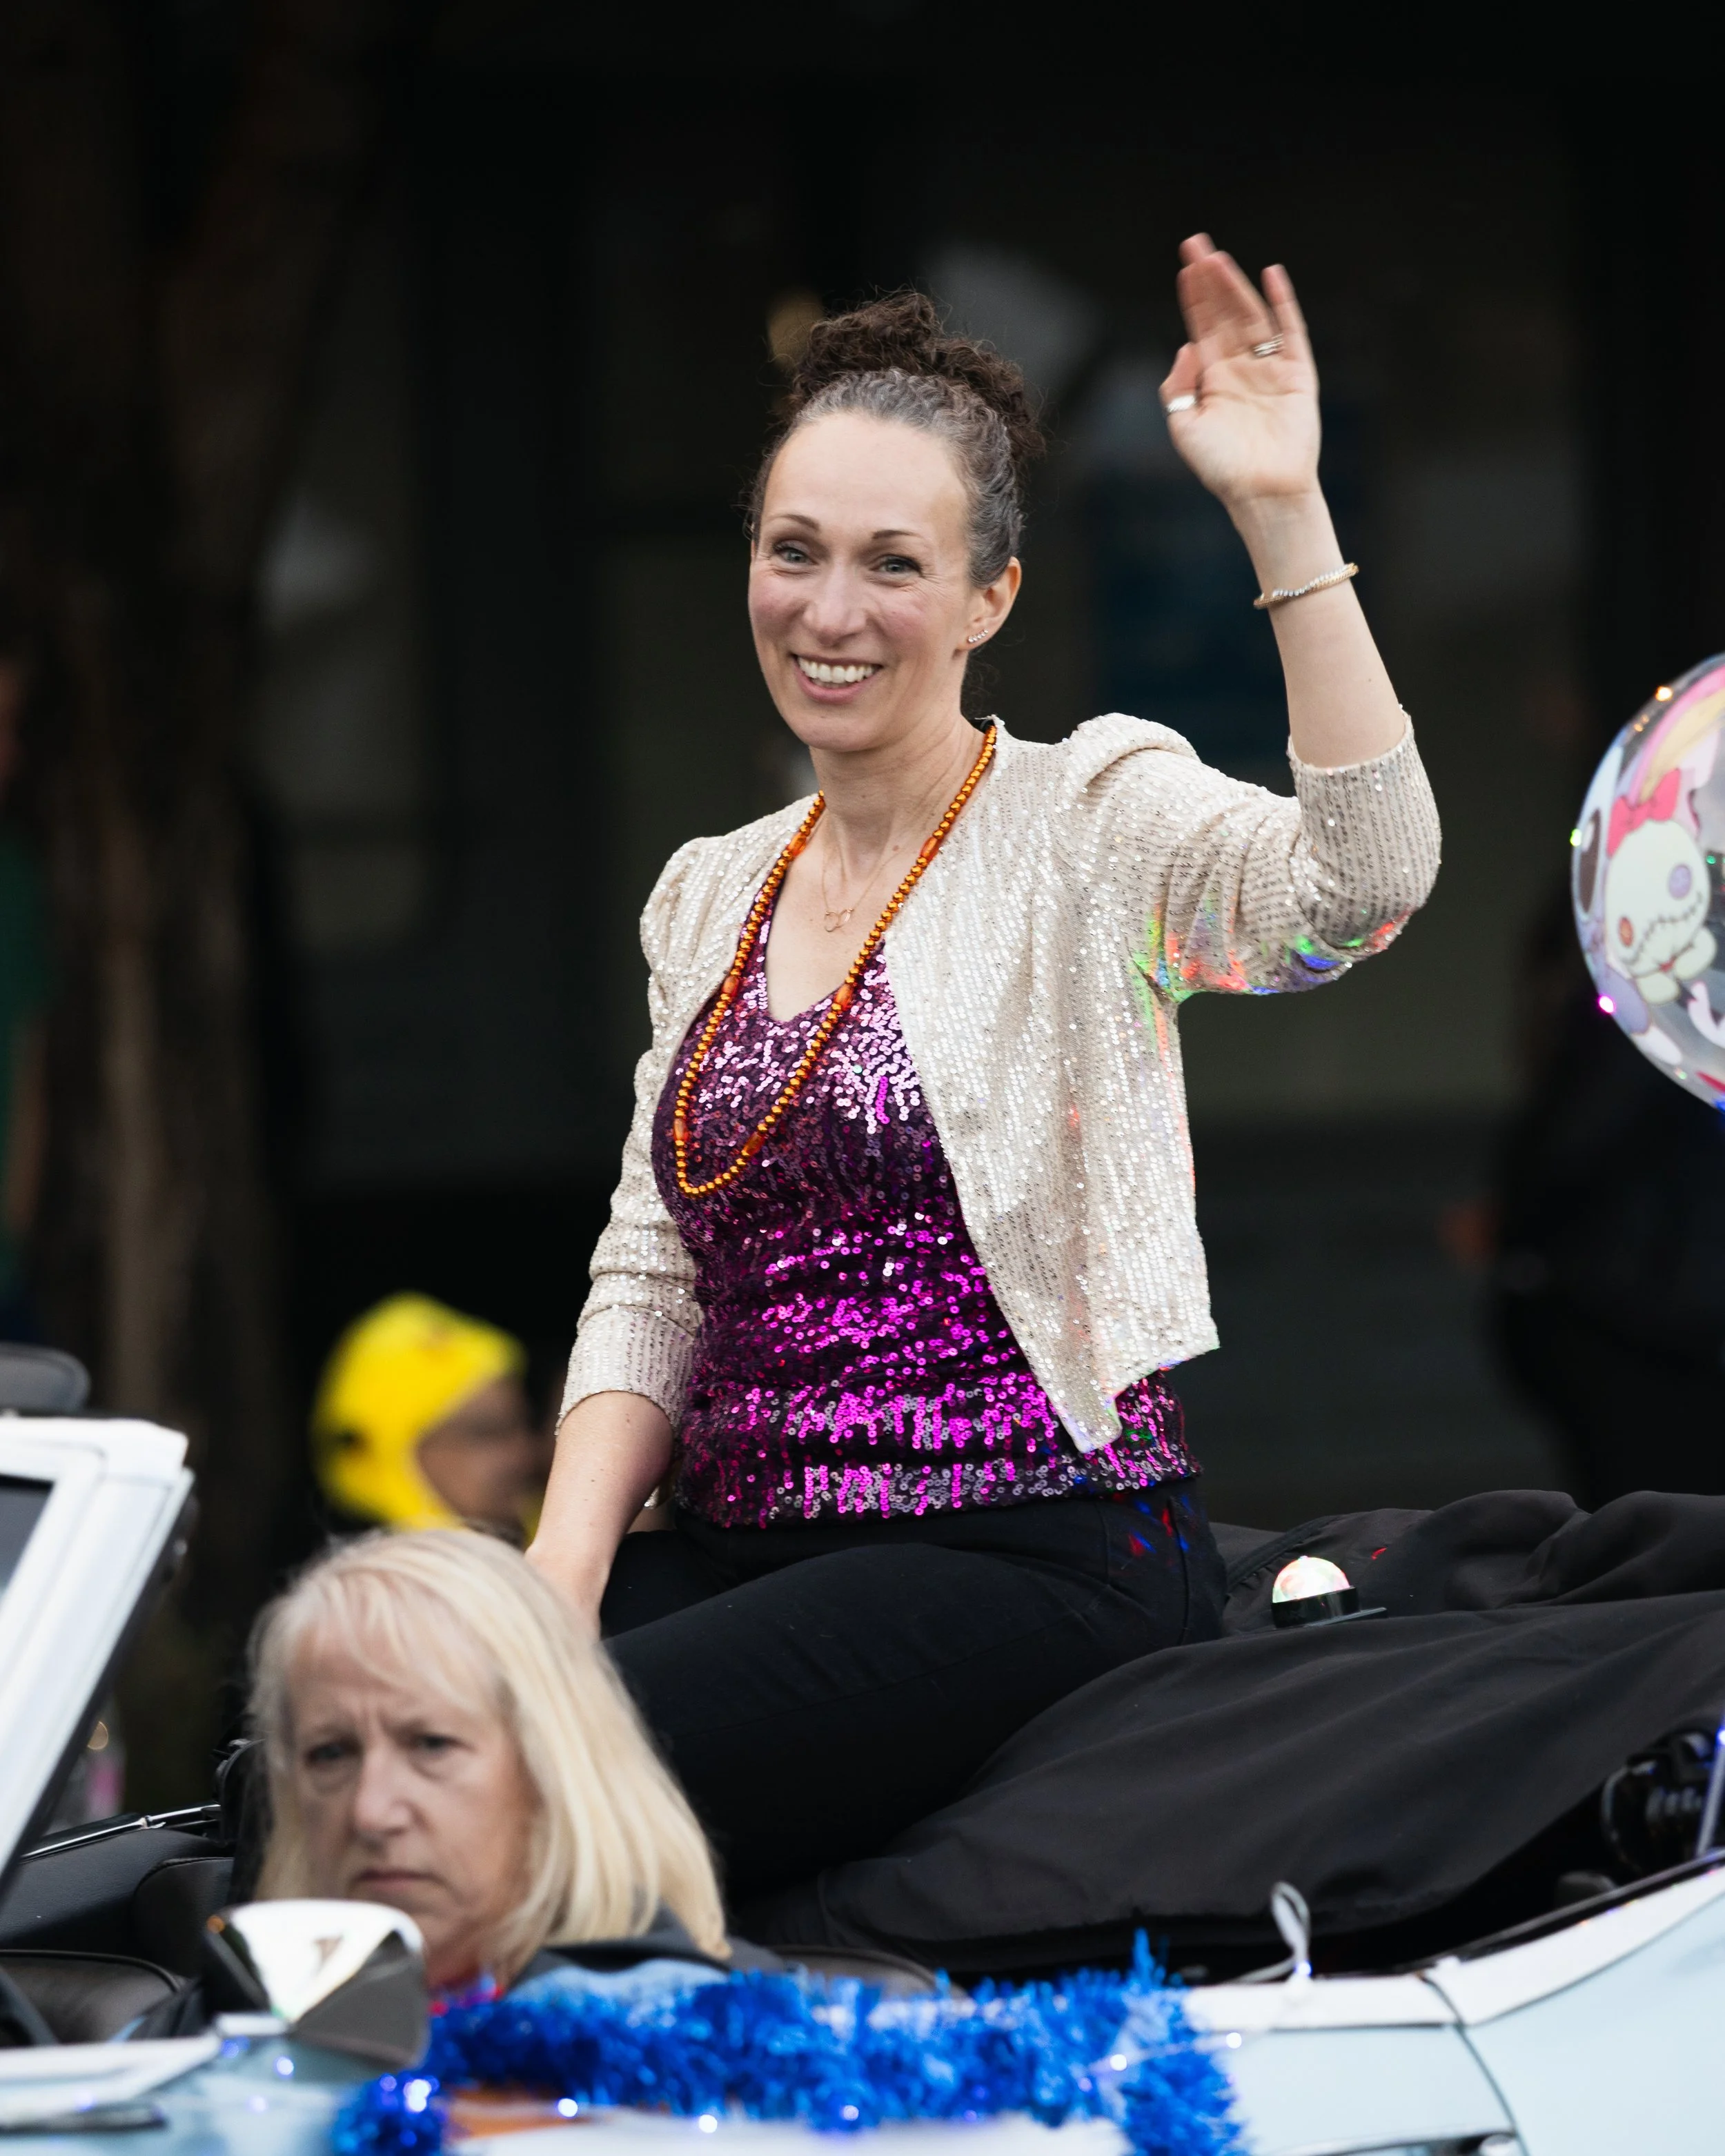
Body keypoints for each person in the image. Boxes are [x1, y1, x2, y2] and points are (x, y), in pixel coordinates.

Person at [529, 238, 1441, 1906]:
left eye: (894, 563)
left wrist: (1281, 512)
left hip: (1037, 1544)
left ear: (989, 598)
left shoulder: (1089, 823)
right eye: (794, 552)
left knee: (567, 1762)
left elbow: (1361, 883)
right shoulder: (708, 889)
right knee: (361, 1706)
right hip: (755, 1543)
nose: (831, 609)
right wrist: (553, 1573)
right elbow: (650, 1263)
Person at [248, 1529, 728, 1993]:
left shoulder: (698, 2048)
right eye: (330, 1753)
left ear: (554, 1768)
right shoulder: (223, 2034)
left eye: (432, 1744)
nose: (371, 1811)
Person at [311, 1294, 546, 1538]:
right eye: (484, 1433)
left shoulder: (551, 1555)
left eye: (526, 1425)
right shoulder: (366, 1575)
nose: (525, 1454)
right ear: (385, 1452)